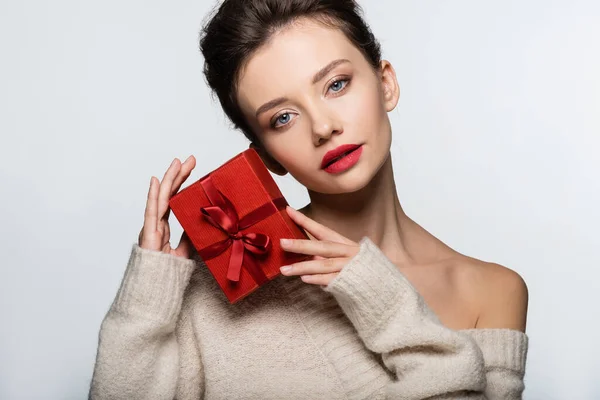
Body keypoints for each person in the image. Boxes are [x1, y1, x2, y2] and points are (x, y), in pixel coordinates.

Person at [89, 0, 529, 399]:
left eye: (336, 84)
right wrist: (148, 303)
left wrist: (381, 298)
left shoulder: (491, 291)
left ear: (386, 83)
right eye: (282, 117)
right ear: (265, 155)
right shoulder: (220, 288)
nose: (322, 127)